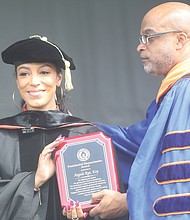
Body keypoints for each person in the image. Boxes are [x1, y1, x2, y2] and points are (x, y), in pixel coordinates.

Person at [64, 1, 190, 220]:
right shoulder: (174, 92)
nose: (139, 46)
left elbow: (179, 184)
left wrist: (127, 201)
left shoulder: (185, 91)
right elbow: (137, 144)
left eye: (149, 37)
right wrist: (66, 126)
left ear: (180, 40)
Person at [0, 35, 128, 220]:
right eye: (24, 73)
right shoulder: (4, 134)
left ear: (59, 77)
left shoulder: (86, 134)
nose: (34, 81)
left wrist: (88, 213)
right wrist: (35, 180)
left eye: (44, 72)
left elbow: (112, 207)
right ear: (17, 80)